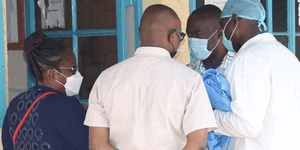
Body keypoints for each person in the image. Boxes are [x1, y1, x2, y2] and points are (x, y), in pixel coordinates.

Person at [84, 4, 218, 150]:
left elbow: (97, 144)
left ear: (140, 32)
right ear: (173, 36)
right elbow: (197, 143)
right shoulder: (190, 79)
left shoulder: (105, 79)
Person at [213, 0, 300, 149]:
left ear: (234, 20)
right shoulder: (287, 55)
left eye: (223, 26)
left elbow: (246, 125)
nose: (223, 35)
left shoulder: (249, 58)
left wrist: (207, 115)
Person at [1, 31, 89, 150]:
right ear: (52, 73)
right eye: (73, 68)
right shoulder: (65, 105)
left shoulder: (16, 103)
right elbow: (93, 144)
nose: (76, 74)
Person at [186, 5, 235, 75]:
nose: (192, 40)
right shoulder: (189, 71)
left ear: (219, 33)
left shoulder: (239, 66)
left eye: (199, 34)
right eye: (189, 35)